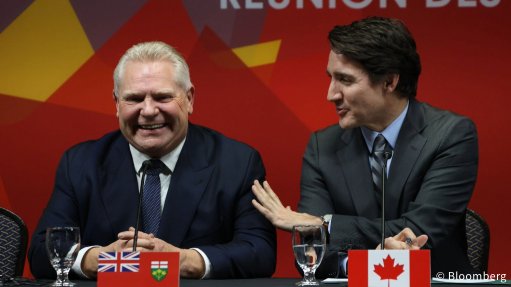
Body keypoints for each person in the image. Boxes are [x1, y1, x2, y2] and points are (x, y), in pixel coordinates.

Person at [28, 41, 276, 279]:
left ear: (189, 99)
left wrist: (183, 260)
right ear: (116, 103)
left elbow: (260, 252)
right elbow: (42, 253)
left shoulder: (237, 162)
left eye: (162, 97)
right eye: (134, 99)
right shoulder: (80, 163)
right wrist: (102, 260)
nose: (147, 111)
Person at [252, 16, 478, 277]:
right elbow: (311, 253)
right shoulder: (321, 147)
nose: (331, 94)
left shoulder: (451, 135)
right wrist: (368, 267)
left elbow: (418, 231)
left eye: (345, 80)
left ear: (389, 82)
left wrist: (322, 224)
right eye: (331, 78)